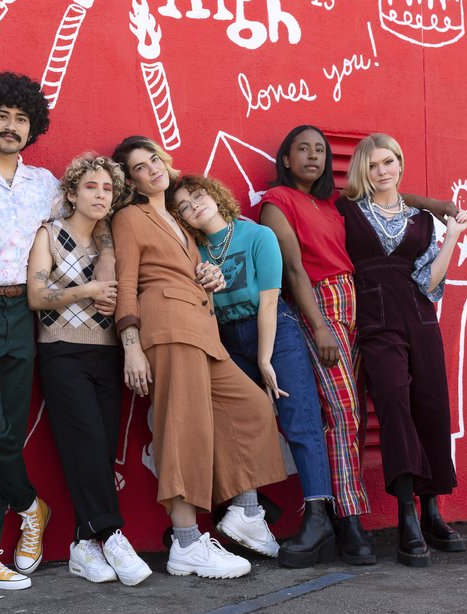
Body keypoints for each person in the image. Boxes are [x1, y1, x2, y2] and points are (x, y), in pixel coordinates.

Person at [0, 72, 112, 590]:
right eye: (2, 116)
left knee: (9, 433)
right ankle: (30, 505)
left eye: (21, 118)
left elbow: (88, 229)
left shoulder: (45, 186)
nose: (11, 126)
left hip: (25, 313)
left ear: (32, 126)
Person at [258, 125, 457, 565]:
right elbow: (293, 269)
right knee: (348, 411)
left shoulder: (332, 203)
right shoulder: (278, 202)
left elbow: (390, 199)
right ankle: (349, 518)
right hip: (325, 307)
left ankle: (392, 516)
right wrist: (321, 327)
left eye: (320, 150)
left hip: (361, 309)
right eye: (302, 149)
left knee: (382, 405)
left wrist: (437, 206)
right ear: (285, 159)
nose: (313, 156)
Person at [111, 136, 287, 579]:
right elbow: (127, 281)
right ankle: (187, 542)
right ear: (130, 182)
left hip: (202, 330)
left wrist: (206, 273)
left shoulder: (179, 222)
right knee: (183, 429)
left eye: (154, 159)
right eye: (139, 167)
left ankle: (246, 511)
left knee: (249, 407)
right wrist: (131, 344)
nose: (152, 169)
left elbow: (186, 266)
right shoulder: (132, 217)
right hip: (166, 327)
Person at [168, 175, 336, 568]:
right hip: (226, 337)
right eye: (185, 206)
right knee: (236, 422)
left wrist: (264, 361)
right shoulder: (192, 250)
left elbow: (268, 302)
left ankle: (317, 516)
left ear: (215, 193)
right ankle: (248, 511)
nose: (195, 206)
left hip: (274, 332)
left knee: (299, 418)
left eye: (198, 196)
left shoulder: (257, 235)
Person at [339, 132, 467, 567]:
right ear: (363, 169)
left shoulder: (421, 221)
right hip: (376, 324)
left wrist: (450, 235)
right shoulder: (348, 212)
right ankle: (406, 516)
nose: (382, 171)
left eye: (388, 162)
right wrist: (433, 200)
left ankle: (433, 509)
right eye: (373, 165)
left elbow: (429, 283)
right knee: (394, 406)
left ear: (400, 162)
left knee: (431, 408)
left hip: (421, 318)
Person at [25, 153, 152, 586]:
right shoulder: (50, 233)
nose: (100, 195)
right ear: (72, 193)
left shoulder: (110, 239)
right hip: (61, 350)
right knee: (85, 441)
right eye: (91, 187)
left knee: (97, 450)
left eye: (107, 189)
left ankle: (83, 543)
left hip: (107, 354)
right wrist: (89, 289)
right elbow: (37, 297)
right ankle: (113, 533)